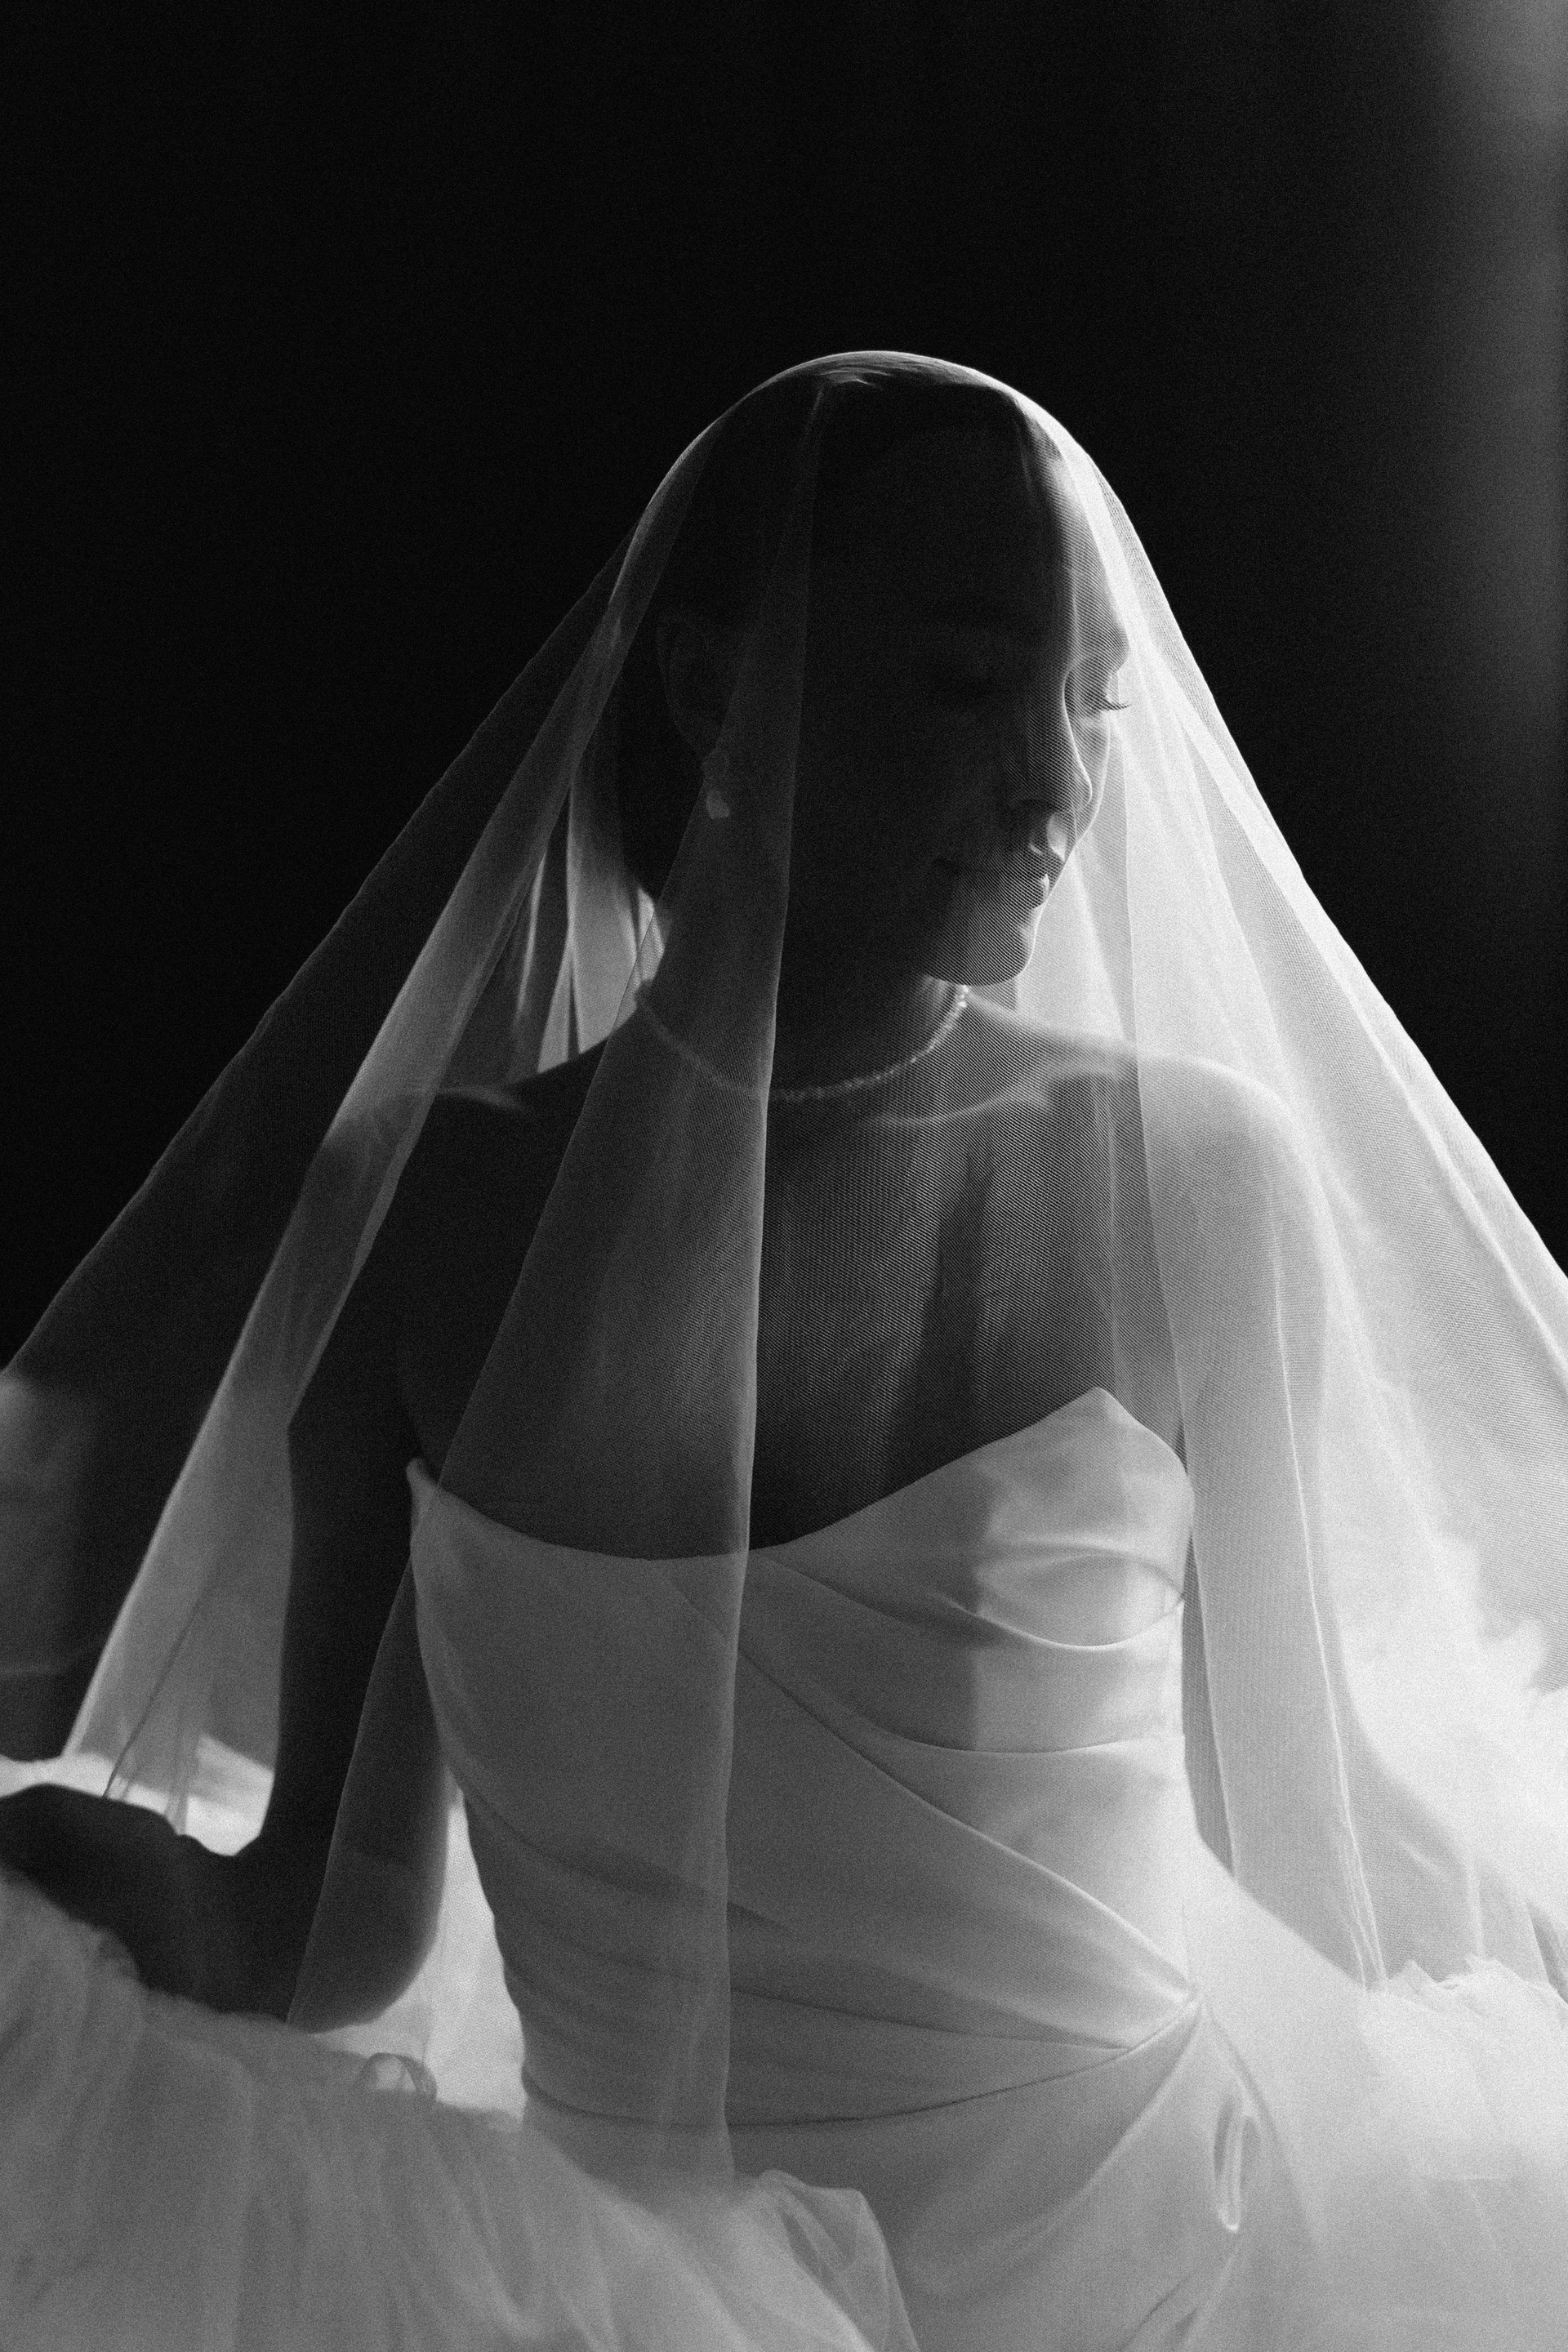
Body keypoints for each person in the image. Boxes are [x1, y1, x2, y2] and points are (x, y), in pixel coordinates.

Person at [2, 352, 1568, 2350]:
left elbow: (1304, 1810)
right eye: (967, 684)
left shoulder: (1181, 1176)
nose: (1055, 790)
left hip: (1161, 2287)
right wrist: (92, 1900)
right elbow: (332, 1922)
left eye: (1087, 705)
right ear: (708, 686)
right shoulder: (429, 1212)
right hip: (621, 2304)